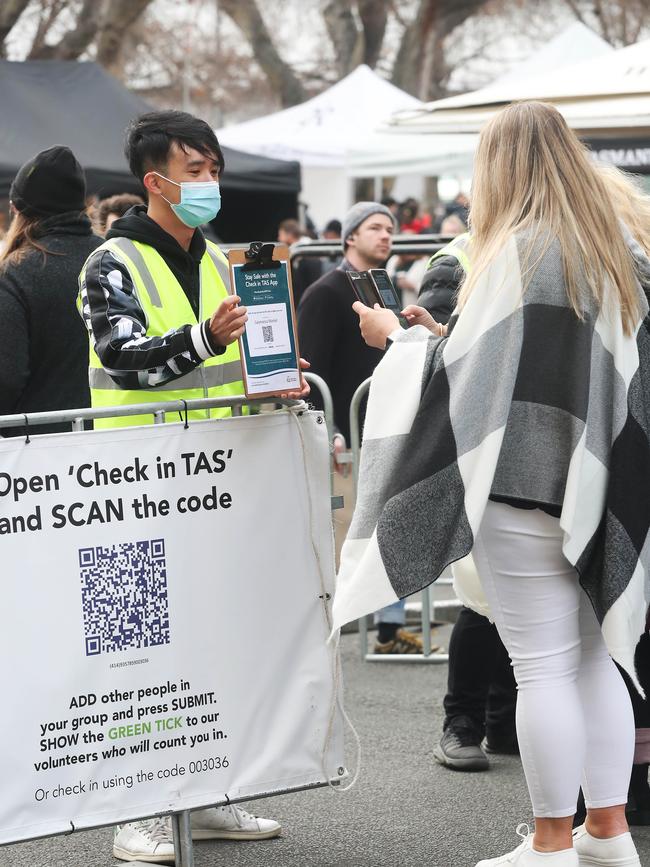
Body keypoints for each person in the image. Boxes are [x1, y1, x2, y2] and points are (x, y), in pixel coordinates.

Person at [347, 101, 649, 866]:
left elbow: (467, 380)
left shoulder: (511, 252)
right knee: (596, 656)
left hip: (521, 483)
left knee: (544, 664)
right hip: (607, 480)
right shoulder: (624, 252)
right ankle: (607, 833)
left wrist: (399, 342)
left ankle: (551, 844)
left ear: (499, 168)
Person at [79, 109, 308, 863]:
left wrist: (275, 378)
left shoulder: (221, 259)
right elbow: (123, 359)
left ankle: (209, 794)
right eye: (196, 170)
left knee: (216, 641)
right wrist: (208, 337)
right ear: (156, 181)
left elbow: (236, 362)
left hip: (216, 479)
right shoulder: (110, 262)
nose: (210, 182)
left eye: (214, 168)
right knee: (135, 655)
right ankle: (136, 810)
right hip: (131, 482)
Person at [299, 201, 422, 654]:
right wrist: (326, 425)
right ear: (350, 236)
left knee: (397, 523)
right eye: (375, 227)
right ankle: (330, 630)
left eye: (390, 228)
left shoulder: (385, 290)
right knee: (346, 531)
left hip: (388, 423)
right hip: (346, 431)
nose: (386, 235)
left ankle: (390, 627)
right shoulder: (327, 291)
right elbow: (310, 366)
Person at [416, 234, 518, 771]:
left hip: (535, 437)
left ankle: (504, 721)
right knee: (482, 595)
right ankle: (464, 724)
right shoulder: (460, 256)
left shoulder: (558, 238)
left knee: (526, 589)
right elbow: (435, 352)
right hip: (480, 439)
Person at [0, 145, 102, 436]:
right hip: (119, 446)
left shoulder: (16, 272)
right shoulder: (114, 257)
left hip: (40, 456)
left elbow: (6, 377)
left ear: (18, 210)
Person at [277, 217, 322, 306]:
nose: (279, 238)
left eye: (281, 235)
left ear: (289, 235)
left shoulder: (301, 253)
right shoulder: (309, 247)